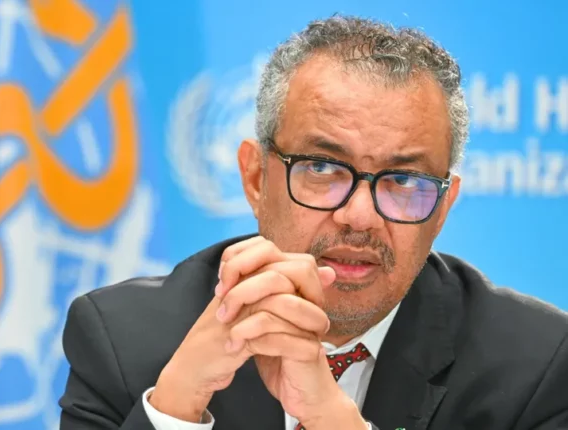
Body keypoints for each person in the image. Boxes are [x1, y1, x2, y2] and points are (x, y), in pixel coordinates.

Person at [58, 15, 568, 430]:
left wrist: (332, 421)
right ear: (255, 179)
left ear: (443, 207)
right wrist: (176, 410)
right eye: (322, 169)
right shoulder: (124, 339)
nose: (360, 216)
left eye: (402, 180)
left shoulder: (537, 366)